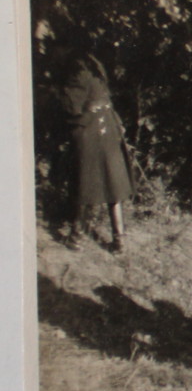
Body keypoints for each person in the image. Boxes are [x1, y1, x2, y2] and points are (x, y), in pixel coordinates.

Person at [59, 53, 134, 253]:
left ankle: (76, 238)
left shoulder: (78, 71)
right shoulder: (96, 67)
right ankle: (120, 241)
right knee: (112, 187)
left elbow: (71, 107)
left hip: (91, 133)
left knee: (87, 185)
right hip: (109, 131)